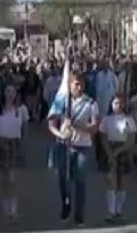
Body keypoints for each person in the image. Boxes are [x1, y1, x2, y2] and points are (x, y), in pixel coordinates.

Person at [47, 72, 100, 227]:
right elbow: (51, 123)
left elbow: (94, 127)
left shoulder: (90, 103)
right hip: (64, 146)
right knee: (63, 179)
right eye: (76, 83)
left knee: (80, 181)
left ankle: (79, 215)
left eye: (81, 83)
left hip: (82, 146)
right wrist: (61, 134)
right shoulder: (61, 100)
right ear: (69, 85)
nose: (79, 86)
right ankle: (66, 205)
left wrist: (78, 126)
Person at [0, 84, 30, 222]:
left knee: (13, 179)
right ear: (4, 93)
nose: (10, 94)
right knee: (3, 179)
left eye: (12, 91)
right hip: (1, 144)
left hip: (14, 144)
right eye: (7, 91)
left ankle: (14, 209)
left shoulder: (21, 109)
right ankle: (5, 207)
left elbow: (25, 127)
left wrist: (21, 143)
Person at [99, 95, 137, 223]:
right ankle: (111, 212)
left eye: (121, 103)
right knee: (111, 182)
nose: (118, 106)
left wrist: (118, 151)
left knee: (122, 183)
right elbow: (103, 138)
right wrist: (110, 153)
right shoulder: (106, 120)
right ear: (111, 104)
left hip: (124, 151)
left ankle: (118, 211)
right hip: (109, 150)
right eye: (116, 103)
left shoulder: (129, 120)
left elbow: (131, 140)